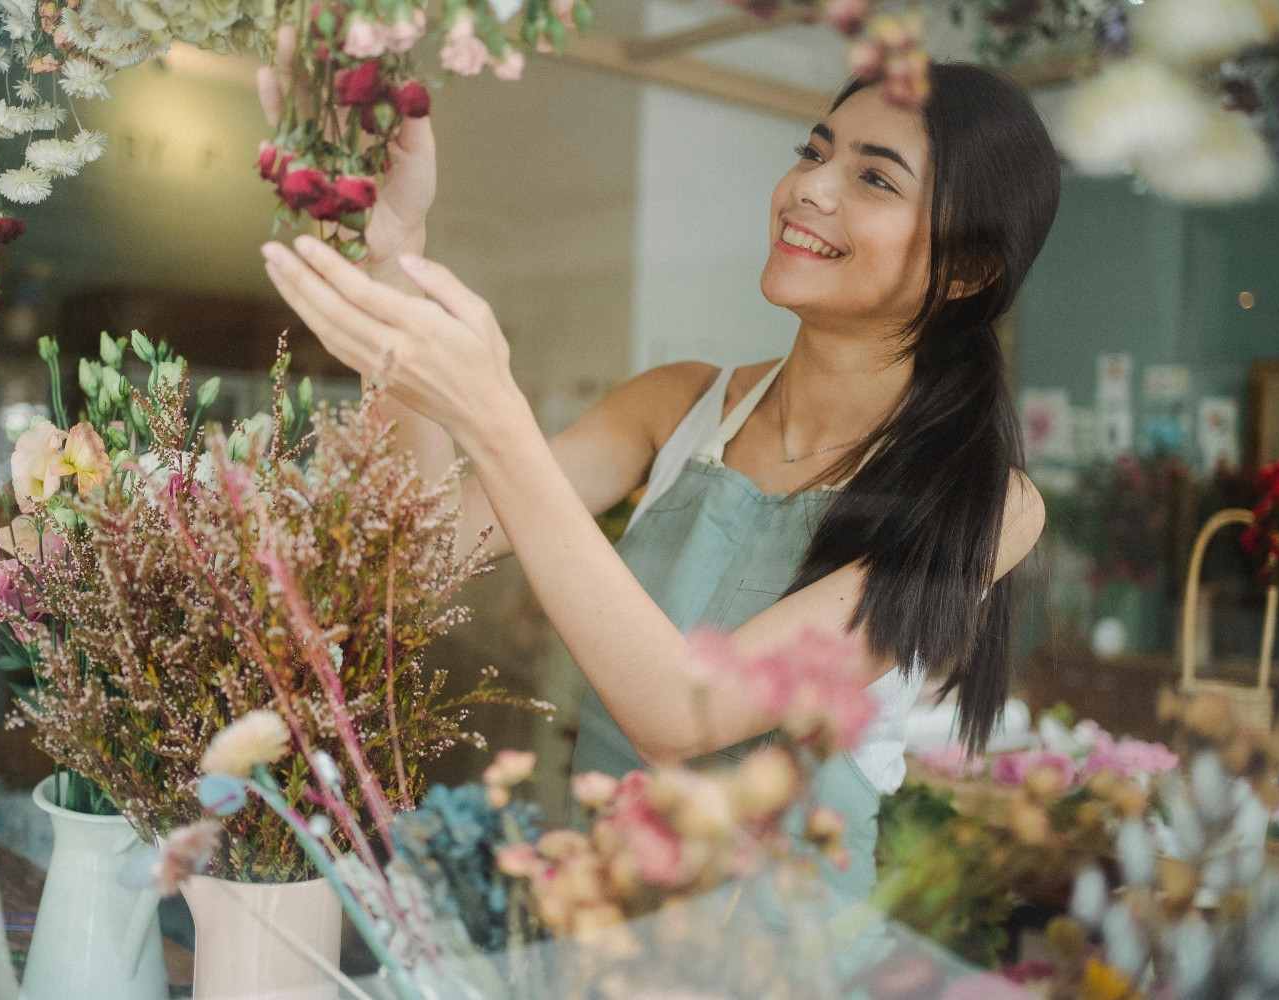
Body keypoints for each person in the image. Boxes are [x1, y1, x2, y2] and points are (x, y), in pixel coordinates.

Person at [259, 54, 1058, 902]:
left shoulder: (985, 502)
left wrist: (496, 418)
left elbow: (684, 714)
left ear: (967, 270)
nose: (811, 188)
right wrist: (394, 260)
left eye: (874, 179)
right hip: (602, 928)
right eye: (814, 151)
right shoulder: (680, 405)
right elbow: (414, 559)